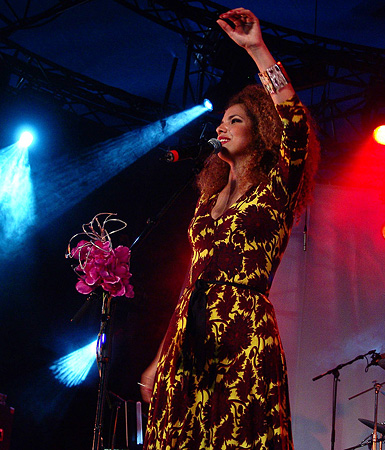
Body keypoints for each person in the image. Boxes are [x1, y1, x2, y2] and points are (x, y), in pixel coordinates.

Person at [140, 7, 319, 450]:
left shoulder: (276, 189)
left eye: (235, 119)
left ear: (260, 133)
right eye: (222, 120)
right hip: (190, 335)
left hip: (241, 334)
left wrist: (257, 50)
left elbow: (294, 122)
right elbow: (191, 282)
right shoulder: (205, 202)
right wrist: (159, 357)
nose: (222, 126)